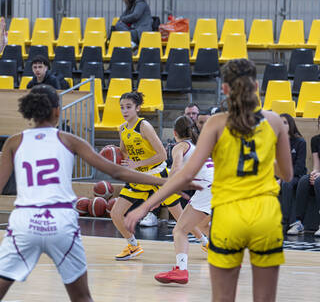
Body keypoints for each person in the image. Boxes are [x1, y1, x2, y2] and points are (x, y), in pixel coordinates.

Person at [0, 85, 199, 302]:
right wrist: (167, 183)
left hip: (24, 222)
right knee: (82, 296)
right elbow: (116, 170)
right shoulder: (69, 140)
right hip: (61, 222)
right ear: (57, 111)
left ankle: (202, 240)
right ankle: (134, 245)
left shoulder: (13, 142)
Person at [125, 59, 292, 302]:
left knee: (217, 284)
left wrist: (144, 206)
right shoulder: (275, 121)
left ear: (225, 89)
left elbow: (183, 174)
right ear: (256, 86)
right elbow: (287, 175)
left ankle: (182, 269)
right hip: (264, 212)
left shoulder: (216, 123)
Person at [111, 91, 206, 261]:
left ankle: (205, 242)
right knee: (116, 213)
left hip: (158, 174)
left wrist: (137, 163)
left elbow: (162, 154)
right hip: (139, 177)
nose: (125, 111)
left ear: (138, 108)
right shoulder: (122, 129)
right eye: (122, 107)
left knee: (181, 216)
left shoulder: (144, 126)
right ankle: (133, 245)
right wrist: (118, 157)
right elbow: (124, 151)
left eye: (128, 107)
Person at [154, 115, 213, 284]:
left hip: (207, 188)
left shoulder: (179, 146)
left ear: (174, 132)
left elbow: (176, 169)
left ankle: (181, 270)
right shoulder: (196, 145)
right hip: (217, 185)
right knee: (201, 225)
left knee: (179, 230)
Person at [287, 118, 320, 236]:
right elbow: (316, 164)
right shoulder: (315, 140)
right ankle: (298, 222)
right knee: (304, 180)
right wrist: (314, 173)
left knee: (318, 181)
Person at [278, 113, 306, 232]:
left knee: (286, 183)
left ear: (291, 125)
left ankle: (285, 222)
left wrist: (282, 177)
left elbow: (299, 168)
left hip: (296, 176)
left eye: (284, 123)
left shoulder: (300, 142)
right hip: (281, 176)